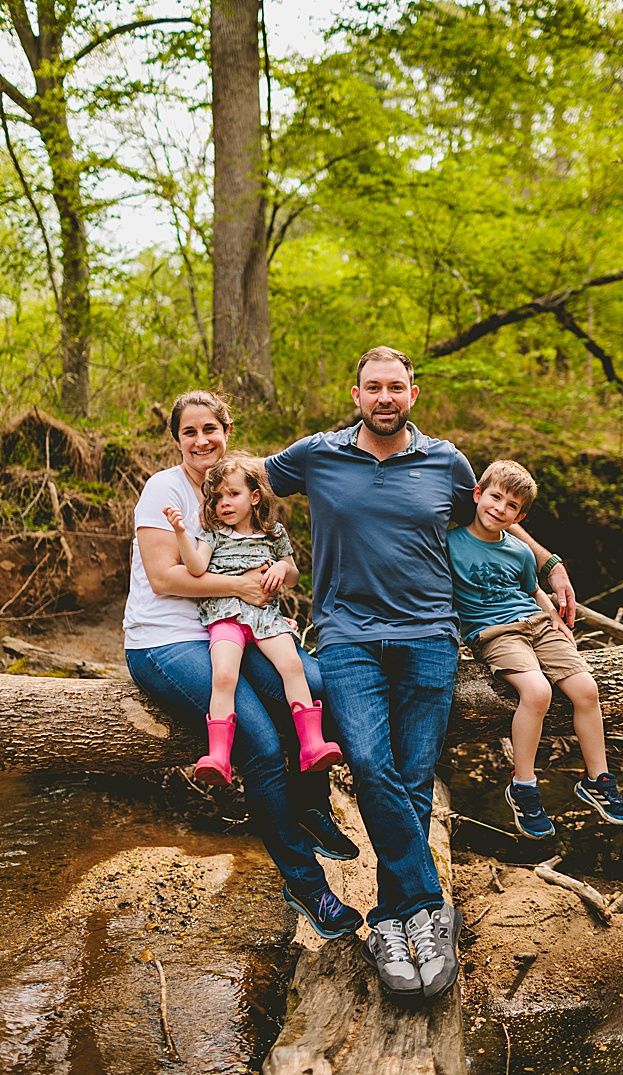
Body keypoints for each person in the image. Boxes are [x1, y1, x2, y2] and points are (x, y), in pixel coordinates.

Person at [265, 346, 576, 1003]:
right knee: (373, 766)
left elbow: (490, 523)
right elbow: (241, 486)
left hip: (431, 638)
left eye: (395, 387)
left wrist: (550, 563)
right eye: (372, 386)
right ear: (355, 394)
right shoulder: (317, 454)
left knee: (411, 776)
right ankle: (427, 906)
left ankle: (390, 919)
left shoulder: (447, 462)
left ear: (414, 393)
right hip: (347, 636)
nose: (384, 396)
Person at [125, 391, 363, 942]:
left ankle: (311, 804)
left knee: (320, 685)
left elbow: (286, 540)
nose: (202, 440)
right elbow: (165, 578)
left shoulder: (240, 479)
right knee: (257, 739)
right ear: (177, 439)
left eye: (211, 428)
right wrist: (243, 586)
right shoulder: (166, 489)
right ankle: (306, 885)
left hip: (242, 628)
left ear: (227, 429)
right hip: (168, 641)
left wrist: (282, 574)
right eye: (190, 432)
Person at [449, 459, 623, 839]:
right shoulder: (450, 544)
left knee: (586, 689)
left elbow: (532, 590)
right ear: (477, 494)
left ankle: (597, 779)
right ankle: (524, 786)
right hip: (495, 633)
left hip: (537, 624)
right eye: (495, 498)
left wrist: (554, 617)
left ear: (521, 515)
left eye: (512, 506)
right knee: (537, 692)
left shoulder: (519, 550)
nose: (500, 509)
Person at [164, 451, 343, 784]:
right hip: (226, 617)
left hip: (266, 618)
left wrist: (281, 567)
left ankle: (312, 744)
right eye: (217, 498)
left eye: (233, 494)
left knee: (292, 666)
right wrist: (180, 534)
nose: (224, 503)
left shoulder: (273, 533)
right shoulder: (212, 535)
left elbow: (292, 575)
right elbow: (196, 568)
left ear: (255, 496)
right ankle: (218, 756)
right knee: (224, 676)